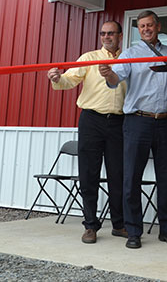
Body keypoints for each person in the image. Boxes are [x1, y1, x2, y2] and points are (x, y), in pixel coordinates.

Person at [100, 10, 167, 250]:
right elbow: (117, 79)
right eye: (142, 26)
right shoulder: (130, 54)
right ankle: (134, 231)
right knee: (132, 178)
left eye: (150, 25)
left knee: (165, 177)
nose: (146, 29)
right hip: (138, 121)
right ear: (138, 29)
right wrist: (109, 75)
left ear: (158, 26)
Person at [47, 20, 127, 244]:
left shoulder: (128, 59)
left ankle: (119, 224)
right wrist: (57, 78)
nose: (106, 37)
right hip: (92, 120)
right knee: (88, 174)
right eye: (103, 33)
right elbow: (69, 79)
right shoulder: (89, 58)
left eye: (111, 33)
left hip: (120, 122)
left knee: (117, 174)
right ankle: (90, 225)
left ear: (120, 35)